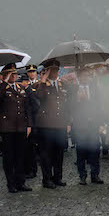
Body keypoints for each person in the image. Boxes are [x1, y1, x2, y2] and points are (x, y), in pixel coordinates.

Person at [0, 64, 33, 193]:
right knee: (9, 157)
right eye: (10, 74)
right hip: (7, 127)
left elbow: (27, 108)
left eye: (14, 74)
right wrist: (5, 81)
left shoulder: (20, 87)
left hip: (21, 127)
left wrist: (29, 124)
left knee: (20, 156)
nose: (13, 76)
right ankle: (11, 183)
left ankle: (21, 182)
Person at [32, 60, 69, 188]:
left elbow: (66, 105)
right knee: (46, 154)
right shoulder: (41, 85)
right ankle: (47, 179)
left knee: (59, 153)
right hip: (46, 125)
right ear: (46, 71)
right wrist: (43, 79)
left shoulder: (62, 84)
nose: (55, 72)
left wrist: (68, 121)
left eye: (56, 70)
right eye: (52, 70)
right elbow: (39, 96)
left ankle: (57, 177)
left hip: (60, 124)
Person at [72, 73, 104, 186]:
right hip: (80, 125)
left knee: (95, 150)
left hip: (93, 124)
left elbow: (100, 106)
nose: (84, 78)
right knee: (80, 151)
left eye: (86, 76)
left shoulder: (94, 89)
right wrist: (78, 100)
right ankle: (82, 176)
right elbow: (70, 106)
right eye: (82, 76)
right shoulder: (74, 89)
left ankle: (95, 174)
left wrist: (101, 123)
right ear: (79, 78)